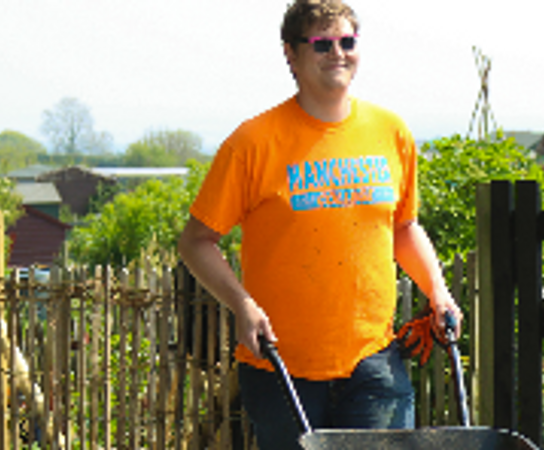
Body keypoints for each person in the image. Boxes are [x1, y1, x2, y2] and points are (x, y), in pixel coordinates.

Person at [176, 0, 462, 447]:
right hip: (281, 367)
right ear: (290, 54)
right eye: (322, 44)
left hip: (375, 362)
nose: (338, 53)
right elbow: (196, 241)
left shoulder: (391, 132)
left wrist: (438, 291)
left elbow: (404, 227)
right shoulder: (252, 143)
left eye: (347, 41)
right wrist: (242, 304)